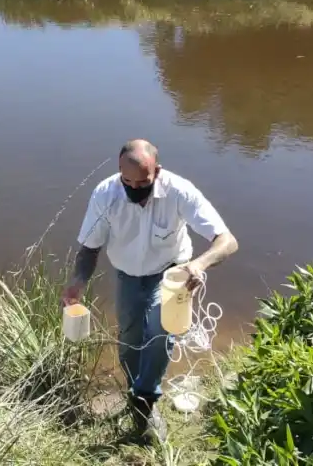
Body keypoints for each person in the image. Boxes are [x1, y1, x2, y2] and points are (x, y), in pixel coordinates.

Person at [62, 139, 238, 444]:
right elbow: (89, 249)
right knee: (129, 341)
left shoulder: (179, 191)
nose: (134, 188)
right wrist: (78, 282)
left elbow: (227, 241)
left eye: (142, 182)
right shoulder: (105, 194)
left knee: (160, 331)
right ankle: (136, 393)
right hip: (128, 275)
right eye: (127, 181)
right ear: (119, 171)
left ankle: (146, 400)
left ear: (157, 171)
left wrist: (199, 264)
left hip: (171, 274)